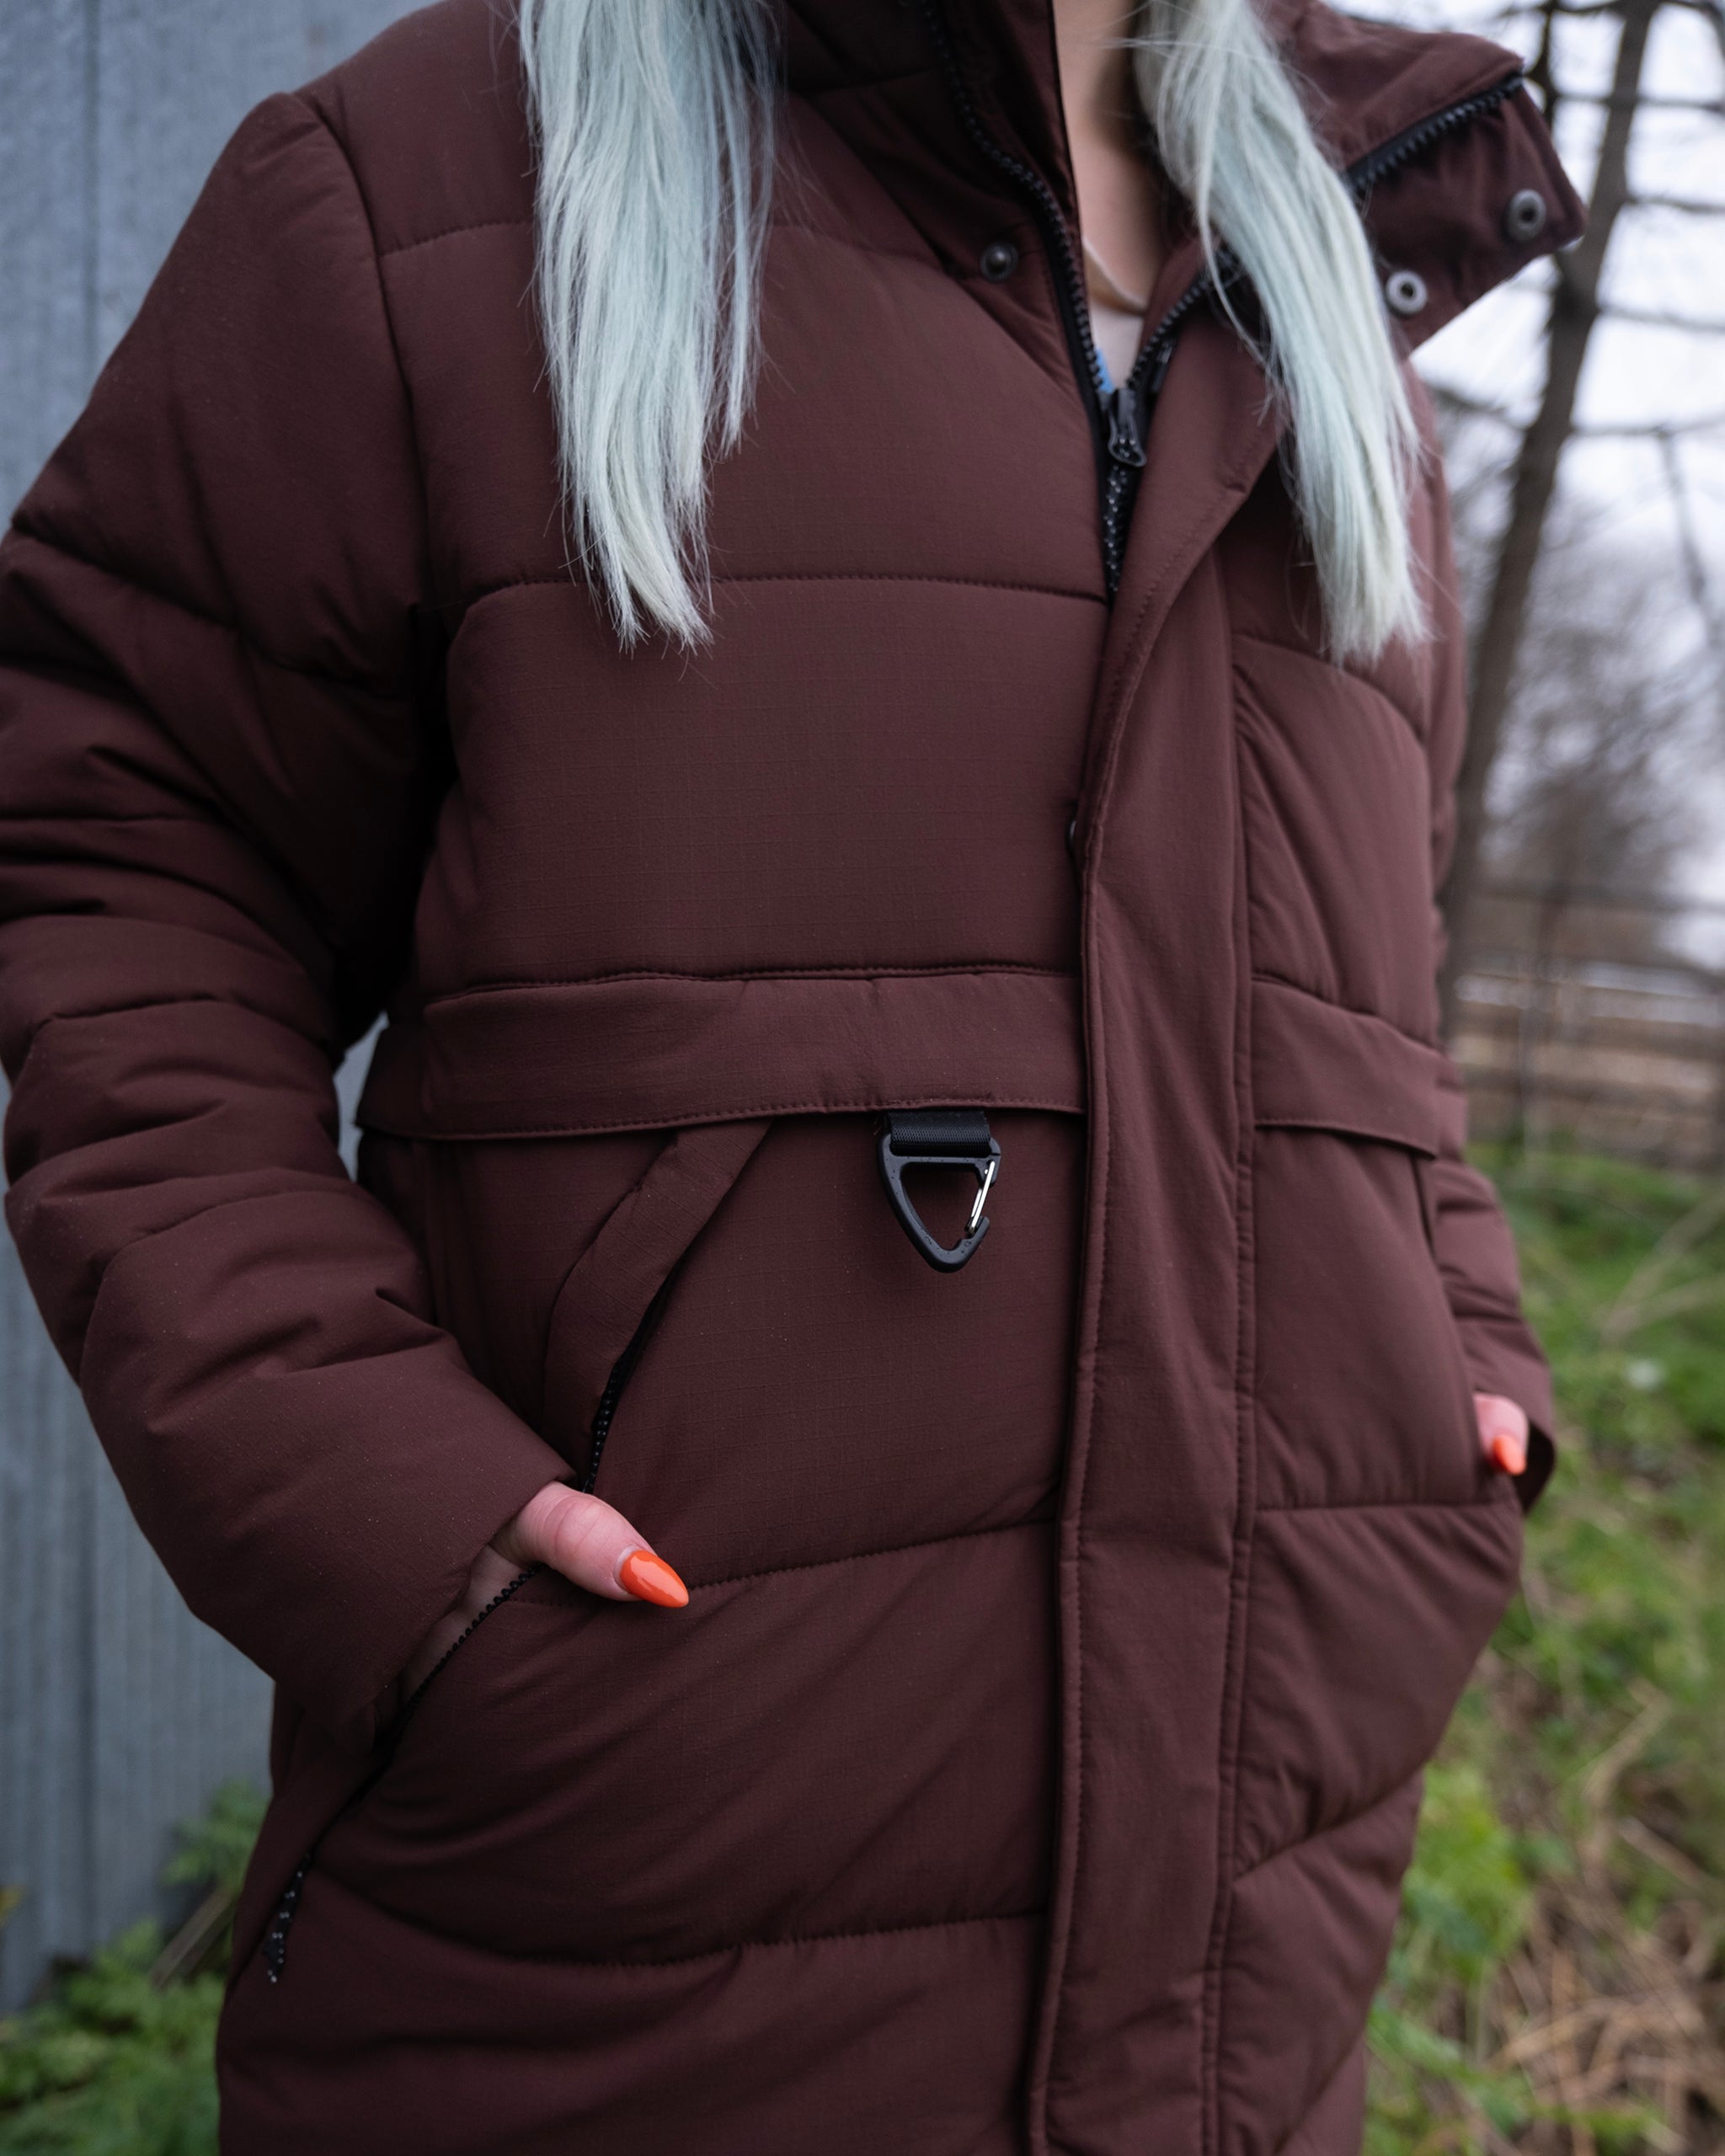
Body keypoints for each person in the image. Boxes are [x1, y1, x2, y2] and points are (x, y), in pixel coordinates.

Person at [0, 0, 1578, 2147]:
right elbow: (119, 853)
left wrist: (1453, 1378)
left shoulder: (1338, 285)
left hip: (1248, 1963)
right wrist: (388, 1504)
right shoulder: (431, 185)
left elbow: (1368, 1014)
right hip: (608, 1956)